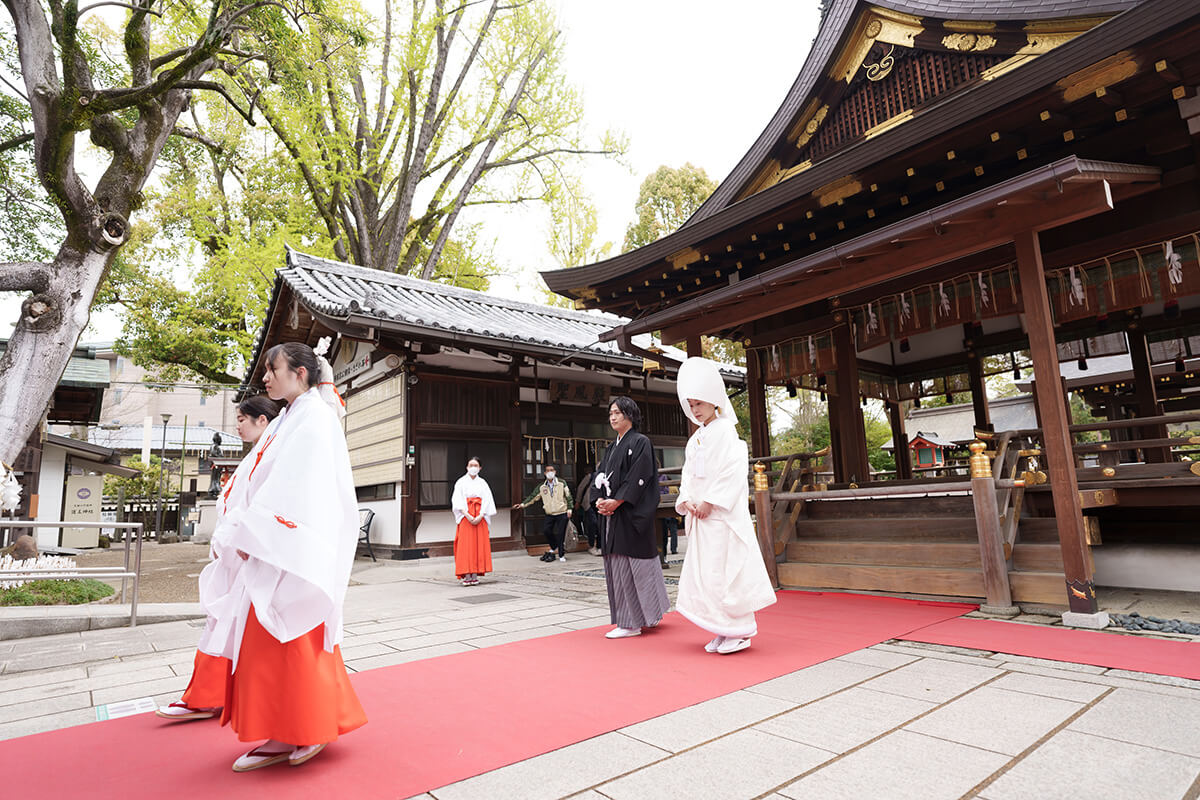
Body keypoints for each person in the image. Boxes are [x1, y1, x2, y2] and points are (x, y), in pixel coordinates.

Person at [202, 340, 366, 771]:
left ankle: (307, 727)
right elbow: (259, 474)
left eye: (273, 369)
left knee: (292, 634)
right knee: (266, 639)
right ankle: (283, 726)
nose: (266, 377)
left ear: (301, 373)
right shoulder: (290, 416)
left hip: (294, 545)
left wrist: (255, 527)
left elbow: (299, 482)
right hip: (273, 545)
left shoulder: (315, 415)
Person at [156, 394, 280, 722]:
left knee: (226, 627)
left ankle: (208, 696)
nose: (237, 425)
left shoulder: (267, 458)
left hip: (248, 557)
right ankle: (214, 694)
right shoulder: (256, 458)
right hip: (237, 556)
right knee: (226, 627)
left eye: (243, 419)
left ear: (262, 421)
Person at [674, 357, 777, 655]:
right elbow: (688, 475)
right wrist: (689, 500)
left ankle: (739, 631)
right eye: (691, 404)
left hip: (721, 517)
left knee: (727, 573)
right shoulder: (695, 440)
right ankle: (721, 628)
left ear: (714, 401)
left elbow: (732, 470)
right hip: (702, 517)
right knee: (707, 575)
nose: (695, 410)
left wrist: (710, 501)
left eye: (700, 403)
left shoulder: (725, 431)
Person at [595, 397, 669, 638]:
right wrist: (599, 499)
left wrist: (618, 500)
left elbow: (641, 475)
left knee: (636, 565)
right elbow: (600, 475)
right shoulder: (611, 447)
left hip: (630, 512)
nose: (613, 417)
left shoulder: (640, 442)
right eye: (610, 413)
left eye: (617, 412)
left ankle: (631, 623)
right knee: (619, 565)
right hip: (613, 514)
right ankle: (644, 616)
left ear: (630, 414)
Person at [515, 464, 573, 562]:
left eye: (552, 470)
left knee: (560, 533)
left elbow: (568, 496)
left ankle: (561, 554)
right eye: (548, 471)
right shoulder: (542, 487)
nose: (550, 472)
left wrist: (570, 508)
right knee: (546, 530)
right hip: (549, 513)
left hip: (561, 512)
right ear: (545, 473)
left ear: (555, 472)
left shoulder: (562, 483)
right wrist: (522, 505)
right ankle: (554, 546)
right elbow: (533, 497)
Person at [452, 456, 496, 585]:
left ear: (480, 468)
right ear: (467, 467)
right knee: (466, 546)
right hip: (466, 515)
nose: (473, 468)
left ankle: (475, 573)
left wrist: (481, 515)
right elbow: (457, 500)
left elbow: (487, 500)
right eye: (471, 465)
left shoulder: (483, 483)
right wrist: (467, 515)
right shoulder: (460, 482)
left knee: (478, 545)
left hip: (480, 515)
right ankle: (466, 574)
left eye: (475, 465)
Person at [575, 466, 601, 556]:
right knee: (593, 523)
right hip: (589, 503)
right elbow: (580, 488)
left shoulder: (607, 476)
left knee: (601, 525)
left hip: (601, 504)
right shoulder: (591, 476)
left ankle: (600, 546)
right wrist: (578, 501)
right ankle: (591, 545)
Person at [658, 470, 679, 568]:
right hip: (658, 506)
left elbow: (665, 490)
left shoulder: (663, 476)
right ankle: (663, 555)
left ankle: (666, 554)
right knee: (663, 533)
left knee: (666, 534)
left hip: (665, 507)